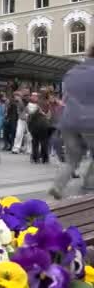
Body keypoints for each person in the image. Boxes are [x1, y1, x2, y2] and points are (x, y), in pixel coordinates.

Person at [49, 46, 94, 199]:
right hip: (91, 122)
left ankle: (58, 186)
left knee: (71, 159)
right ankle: (89, 185)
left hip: (69, 121)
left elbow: (66, 97)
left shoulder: (72, 72)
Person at [26, 92, 51, 164]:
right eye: (33, 96)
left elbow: (30, 114)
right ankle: (45, 158)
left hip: (36, 125)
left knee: (35, 141)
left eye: (35, 96)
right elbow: (49, 115)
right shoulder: (47, 103)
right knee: (44, 141)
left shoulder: (34, 104)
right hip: (45, 124)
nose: (33, 97)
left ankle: (35, 158)